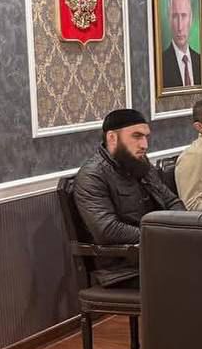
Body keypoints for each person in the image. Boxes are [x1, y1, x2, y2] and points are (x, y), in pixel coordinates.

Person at [73, 108, 183, 285]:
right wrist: (161, 236)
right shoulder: (92, 176)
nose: (144, 145)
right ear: (112, 138)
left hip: (156, 252)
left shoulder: (140, 164)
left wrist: (183, 229)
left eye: (146, 137)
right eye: (137, 136)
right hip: (122, 268)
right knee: (198, 273)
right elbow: (107, 230)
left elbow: (171, 201)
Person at [160, 0, 202, 90]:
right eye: (175, 16)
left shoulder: (201, 62)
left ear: (190, 19)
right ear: (169, 19)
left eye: (184, 16)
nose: (180, 27)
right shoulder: (160, 64)